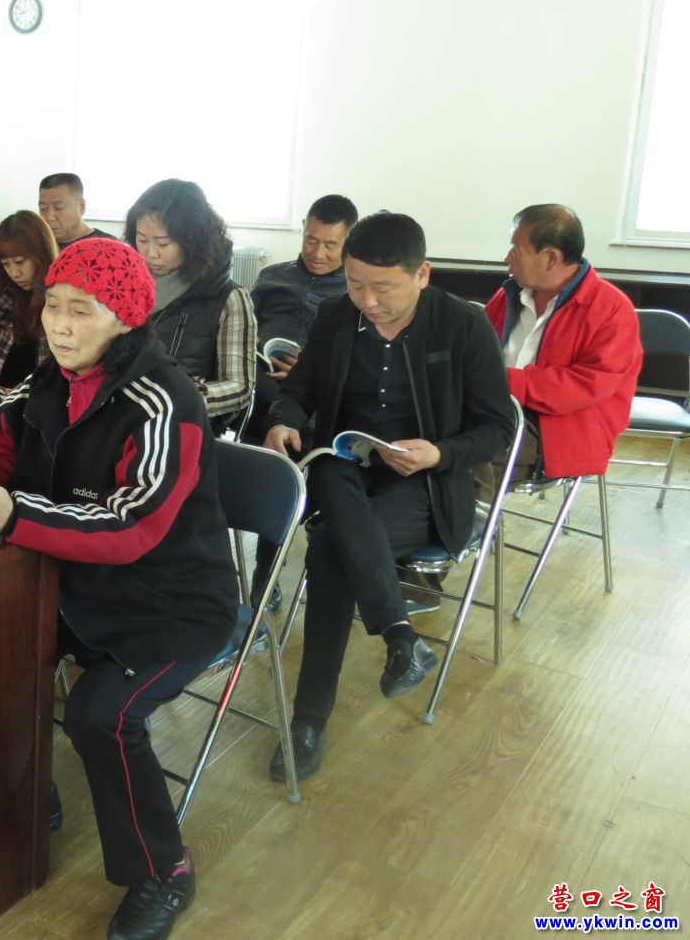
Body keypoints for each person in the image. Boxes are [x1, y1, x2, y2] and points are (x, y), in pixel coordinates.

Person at [0, 237, 236, 940]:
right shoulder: (47, 384)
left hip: (171, 607)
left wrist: (15, 513)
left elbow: (133, 525)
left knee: (99, 715)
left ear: (124, 317)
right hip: (76, 586)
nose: (59, 324)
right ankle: (33, 797)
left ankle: (165, 870)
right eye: (53, 305)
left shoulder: (165, 402)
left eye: (81, 311)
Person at [263, 212, 516, 781]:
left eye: (384, 288)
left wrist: (438, 453)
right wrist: (284, 420)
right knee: (330, 468)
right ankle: (402, 640)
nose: (369, 302)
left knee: (330, 552)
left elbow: (498, 429)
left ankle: (308, 720)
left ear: (422, 274)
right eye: (356, 285)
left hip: (424, 486)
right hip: (347, 473)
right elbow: (299, 391)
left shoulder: (462, 325)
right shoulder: (337, 315)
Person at [243, 195, 357, 602]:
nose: (317, 252)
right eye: (311, 239)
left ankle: (266, 569)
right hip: (260, 386)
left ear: (348, 243)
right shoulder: (272, 276)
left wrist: (309, 371)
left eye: (330, 244)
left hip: (316, 401)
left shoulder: (355, 292)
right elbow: (241, 330)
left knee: (284, 450)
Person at [482, 204, 641, 482]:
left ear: (551, 258)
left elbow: (587, 385)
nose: (507, 257)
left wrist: (500, 381)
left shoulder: (611, 309)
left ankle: (468, 512)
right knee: (418, 442)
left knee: (462, 457)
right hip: (494, 412)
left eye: (516, 248)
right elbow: (474, 353)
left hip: (557, 431)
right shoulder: (508, 295)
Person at [125, 179, 257, 430]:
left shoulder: (230, 298)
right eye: (142, 239)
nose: (150, 253)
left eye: (163, 243)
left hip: (179, 425)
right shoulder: (123, 284)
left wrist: (178, 397)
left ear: (193, 241)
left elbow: (239, 387)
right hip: (118, 416)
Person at [0, 210, 58, 388]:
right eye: (5, 264)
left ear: (42, 254)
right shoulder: (6, 298)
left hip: (37, 398)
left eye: (20, 261)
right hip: (1, 396)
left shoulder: (58, 302)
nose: (14, 273)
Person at [37, 172, 114, 248]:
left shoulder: (108, 247)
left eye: (58, 207)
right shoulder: (38, 246)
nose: (49, 217)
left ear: (81, 207)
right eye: (43, 208)